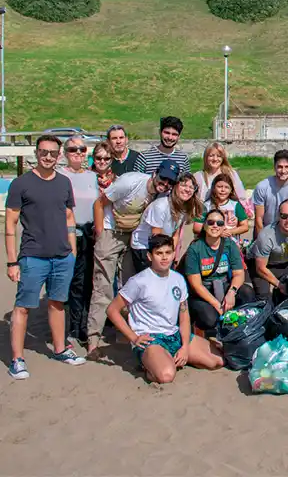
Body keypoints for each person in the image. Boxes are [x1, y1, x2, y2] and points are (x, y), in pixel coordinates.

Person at [5, 135, 85, 379]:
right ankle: (17, 359)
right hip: (32, 257)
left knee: (56, 303)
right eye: (43, 152)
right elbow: (11, 223)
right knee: (23, 307)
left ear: (59, 155)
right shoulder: (21, 184)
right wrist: (12, 261)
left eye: (52, 153)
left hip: (62, 256)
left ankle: (60, 348)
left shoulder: (63, 183)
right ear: (36, 153)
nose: (48, 157)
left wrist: (72, 251)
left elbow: (69, 217)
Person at [106, 234, 224, 383]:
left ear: (174, 254)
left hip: (174, 334)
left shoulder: (178, 279)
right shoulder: (139, 281)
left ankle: (173, 357)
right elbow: (112, 310)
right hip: (151, 338)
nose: (164, 258)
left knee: (217, 361)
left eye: (168, 253)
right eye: (159, 253)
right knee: (166, 375)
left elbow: (184, 315)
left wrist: (185, 346)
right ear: (149, 256)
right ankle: (150, 364)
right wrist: (134, 338)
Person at [87, 161, 177, 356]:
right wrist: (100, 232)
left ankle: (124, 334)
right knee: (103, 285)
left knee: (129, 287)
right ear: (155, 173)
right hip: (112, 231)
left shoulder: (162, 194)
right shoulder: (130, 182)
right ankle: (93, 340)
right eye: (163, 178)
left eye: (170, 182)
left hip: (134, 237)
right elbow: (99, 203)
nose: (166, 184)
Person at [184, 209, 256, 332]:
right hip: (203, 291)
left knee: (247, 292)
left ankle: (240, 327)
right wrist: (217, 305)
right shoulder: (195, 248)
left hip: (224, 285)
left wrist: (231, 292)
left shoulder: (229, 245)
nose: (215, 226)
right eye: (211, 222)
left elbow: (239, 273)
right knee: (210, 319)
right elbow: (196, 285)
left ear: (224, 227)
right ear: (204, 225)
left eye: (220, 223)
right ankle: (199, 331)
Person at [59, 137, 100, 348]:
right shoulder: (60, 176)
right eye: (73, 149)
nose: (78, 152)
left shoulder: (92, 177)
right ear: (65, 152)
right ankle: (74, 327)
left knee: (87, 283)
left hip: (89, 233)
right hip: (68, 234)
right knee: (73, 283)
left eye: (82, 149)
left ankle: (84, 325)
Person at [130, 173, 202, 273]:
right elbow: (156, 235)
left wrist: (171, 254)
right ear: (174, 186)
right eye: (183, 185)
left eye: (191, 187)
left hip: (164, 244)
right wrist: (166, 256)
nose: (187, 189)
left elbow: (176, 234)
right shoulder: (161, 206)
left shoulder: (184, 207)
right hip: (145, 246)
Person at [252, 149, 288, 238]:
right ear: (274, 167)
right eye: (280, 167)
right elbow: (259, 220)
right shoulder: (262, 187)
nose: (283, 171)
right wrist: (262, 242)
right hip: (266, 231)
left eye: (287, 167)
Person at [192, 174, 250, 241]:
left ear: (231, 190)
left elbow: (245, 226)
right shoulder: (206, 206)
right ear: (214, 188)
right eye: (219, 187)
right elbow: (196, 228)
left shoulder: (235, 205)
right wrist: (218, 232)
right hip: (210, 243)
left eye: (226, 187)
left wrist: (231, 231)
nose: (223, 190)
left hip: (230, 244)